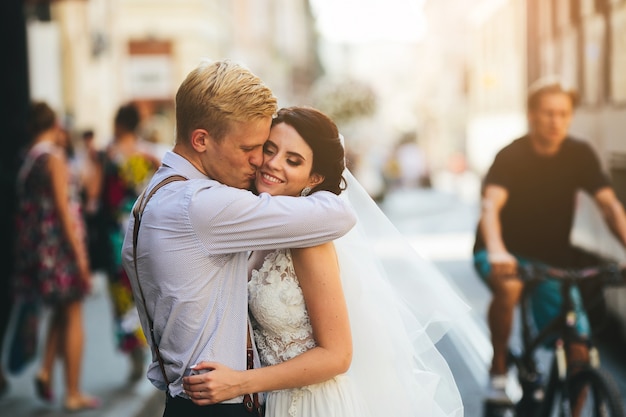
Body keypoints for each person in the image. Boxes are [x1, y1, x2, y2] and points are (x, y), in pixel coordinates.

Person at [182, 107, 468, 417]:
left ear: (314, 177)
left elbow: (337, 356)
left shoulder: (310, 242)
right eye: (270, 149)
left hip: (313, 405)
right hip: (275, 403)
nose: (273, 164)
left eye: (293, 161)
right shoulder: (259, 227)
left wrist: (239, 384)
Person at [120, 60, 358, 417]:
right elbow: (340, 214)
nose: (259, 162)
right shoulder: (202, 205)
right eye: (251, 148)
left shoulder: (152, 195)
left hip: (191, 399)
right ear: (201, 140)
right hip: (217, 405)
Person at [473, 81, 626, 402]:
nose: (556, 121)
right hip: (501, 250)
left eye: (563, 114)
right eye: (548, 113)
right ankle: (499, 367)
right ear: (531, 115)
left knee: (579, 345)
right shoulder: (511, 156)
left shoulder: (579, 154)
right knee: (511, 287)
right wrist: (498, 251)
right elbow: (490, 207)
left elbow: (610, 207)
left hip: (554, 259)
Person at [13, 101, 100, 411]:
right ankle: (73, 392)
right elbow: (64, 211)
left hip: (39, 252)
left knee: (61, 313)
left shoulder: (28, 159)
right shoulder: (52, 158)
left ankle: (46, 369)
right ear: (53, 125)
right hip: (60, 249)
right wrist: (80, 258)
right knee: (74, 316)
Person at [101, 103, 160, 382]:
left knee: (122, 293)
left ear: (118, 123)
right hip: (145, 230)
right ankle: (152, 348)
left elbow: (94, 196)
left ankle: (133, 352)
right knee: (147, 290)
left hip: (116, 235)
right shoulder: (149, 155)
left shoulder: (108, 155)